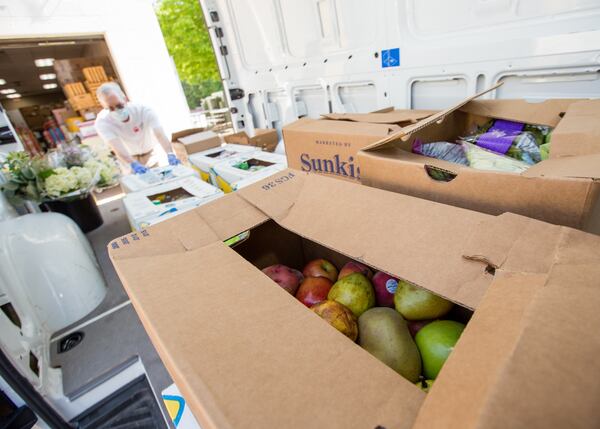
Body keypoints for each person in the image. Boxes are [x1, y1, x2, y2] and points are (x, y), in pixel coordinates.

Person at [94, 82, 180, 174]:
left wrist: (170, 153)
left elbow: (160, 134)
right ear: (104, 107)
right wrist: (133, 163)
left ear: (125, 99)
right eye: (111, 108)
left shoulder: (143, 110)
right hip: (128, 158)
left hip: (152, 153)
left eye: (119, 106)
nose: (117, 111)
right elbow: (116, 145)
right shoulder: (103, 122)